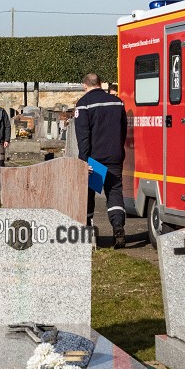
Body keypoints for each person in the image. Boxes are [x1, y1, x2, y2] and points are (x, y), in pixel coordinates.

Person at [73, 72, 128, 248]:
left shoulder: (83, 104)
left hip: (94, 158)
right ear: (101, 83)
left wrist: (84, 161)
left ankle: (88, 227)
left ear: (85, 85)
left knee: (88, 192)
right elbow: (123, 130)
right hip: (114, 155)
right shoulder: (117, 101)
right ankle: (118, 226)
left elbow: (83, 136)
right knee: (114, 192)